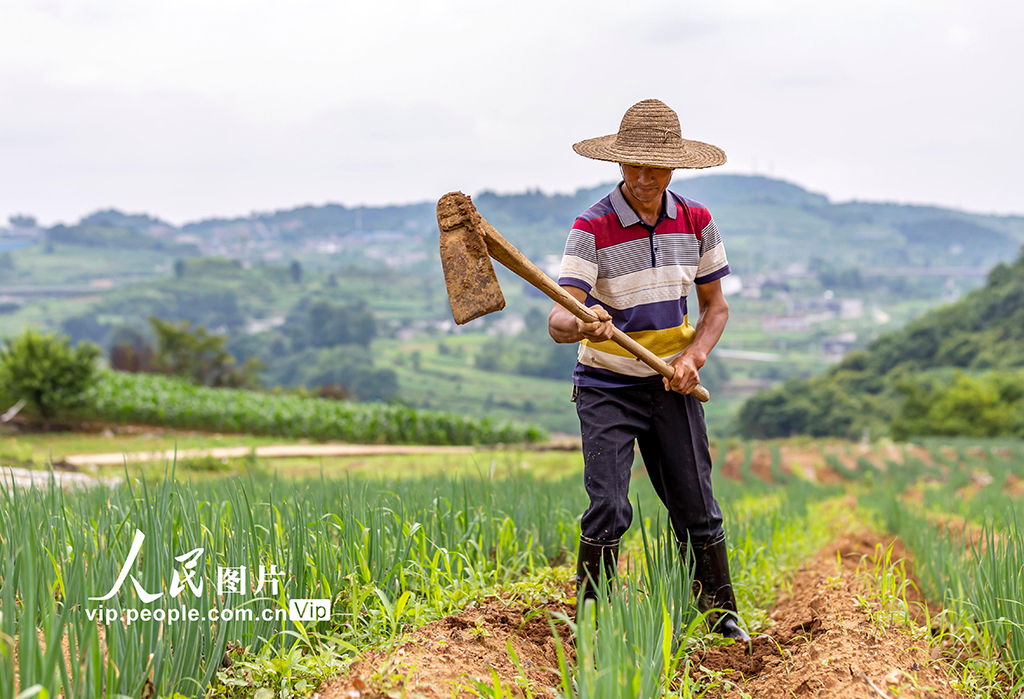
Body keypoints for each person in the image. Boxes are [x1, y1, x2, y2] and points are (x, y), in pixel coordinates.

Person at [547, 98, 748, 641]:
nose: (642, 177)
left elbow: (715, 308)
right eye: (632, 165)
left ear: (673, 168)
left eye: (654, 167)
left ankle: (721, 615)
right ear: (618, 164)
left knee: (697, 505)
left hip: (669, 383)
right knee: (609, 505)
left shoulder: (698, 221)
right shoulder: (591, 226)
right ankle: (593, 620)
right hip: (606, 384)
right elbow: (557, 320)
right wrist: (583, 322)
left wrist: (693, 358)